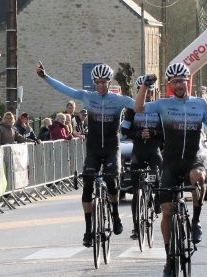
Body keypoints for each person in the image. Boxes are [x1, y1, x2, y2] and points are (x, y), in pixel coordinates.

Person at [135, 63, 207, 277]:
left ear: (188, 82)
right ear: (169, 84)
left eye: (182, 81)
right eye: (175, 81)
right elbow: (138, 108)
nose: (179, 85)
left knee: (200, 177)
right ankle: (169, 259)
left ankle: (195, 222)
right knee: (167, 210)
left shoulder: (200, 104)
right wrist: (144, 87)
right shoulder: (162, 104)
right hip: (170, 163)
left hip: (191, 160)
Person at [37, 62, 135, 246]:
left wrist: (146, 90)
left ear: (109, 82)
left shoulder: (119, 100)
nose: (101, 86)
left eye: (104, 82)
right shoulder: (87, 97)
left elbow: (138, 106)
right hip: (94, 147)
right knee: (88, 185)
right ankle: (89, 229)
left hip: (113, 147)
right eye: (97, 82)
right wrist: (45, 77)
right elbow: (65, 89)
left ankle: (115, 214)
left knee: (111, 180)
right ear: (94, 82)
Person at [121, 75, 163, 240]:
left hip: (153, 150)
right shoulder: (131, 110)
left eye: (149, 92)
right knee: (137, 190)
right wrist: (138, 133)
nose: (147, 95)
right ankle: (136, 228)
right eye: (143, 92)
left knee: (157, 173)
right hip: (138, 150)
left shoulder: (159, 108)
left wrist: (152, 132)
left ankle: (158, 199)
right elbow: (124, 130)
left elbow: (166, 132)